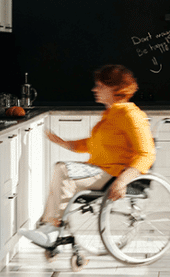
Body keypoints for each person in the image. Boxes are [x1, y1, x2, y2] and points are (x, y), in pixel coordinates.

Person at [19, 64, 155, 248]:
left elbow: (146, 154)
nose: (94, 89)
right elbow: (91, 144)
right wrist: (62, 142)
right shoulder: (112, 114)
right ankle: (51, 228)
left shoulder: (131, 115)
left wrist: (123, 181)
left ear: (116, 89)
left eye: (100, 86)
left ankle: (51, 229)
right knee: (63, 171)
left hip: (112, 174)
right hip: (101, 170)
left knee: (63, 170)